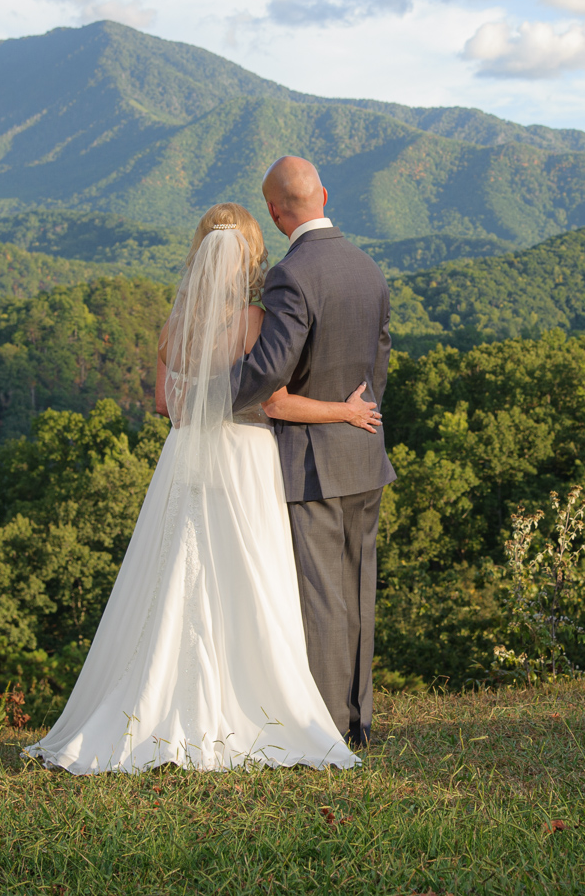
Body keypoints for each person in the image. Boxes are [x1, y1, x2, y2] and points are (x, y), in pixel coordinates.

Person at [22, 201, 379, 773]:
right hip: (244, 459)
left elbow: (169, 405)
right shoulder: (255, 322)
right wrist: (344, 410)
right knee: (246, 577)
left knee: (178, 578)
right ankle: (251, 705)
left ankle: (153, 704)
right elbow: (274, 400)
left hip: (186, 460)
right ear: (250, 258)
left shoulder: (173, 327)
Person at [234, 156, 396, 748]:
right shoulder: (368, 269)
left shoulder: (291, 274)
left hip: (310, 458)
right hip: (364, 448)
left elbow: (271, 368)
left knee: (324, 599)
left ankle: (328, 731)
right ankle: (361, 721)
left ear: (276, 213)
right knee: (358, 591)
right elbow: (376, 366)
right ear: (323, 195)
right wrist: (356, 411)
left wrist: (214, 392)